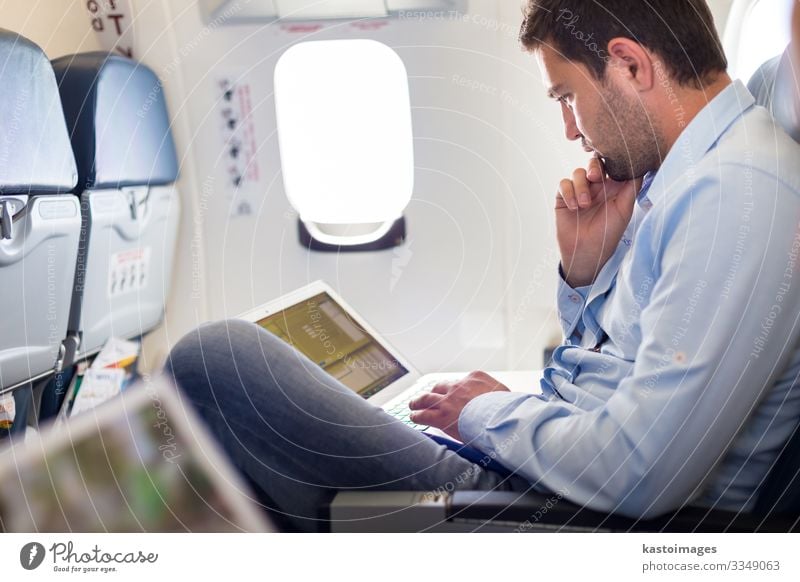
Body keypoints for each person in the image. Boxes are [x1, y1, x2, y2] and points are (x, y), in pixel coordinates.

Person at [166, 0, 800, 532]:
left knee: (217, 363)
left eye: (567, 97)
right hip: (550, 479)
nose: (571, 131)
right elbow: (609, 374)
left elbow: (643, 467)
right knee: (261, 464)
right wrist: (585, 276)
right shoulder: (683, 172)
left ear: (630, 65)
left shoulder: (735, 195)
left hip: (583, 522)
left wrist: (484, 416)